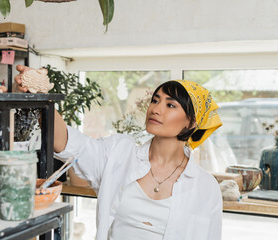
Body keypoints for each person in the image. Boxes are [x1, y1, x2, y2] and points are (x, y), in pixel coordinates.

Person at [15, 65, 223, 240]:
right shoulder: (119, 154)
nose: (156, 109)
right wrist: (37, 95)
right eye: (155, 100)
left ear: (192, 122)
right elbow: (67, 142)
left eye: (170, 105)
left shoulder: (206, 187)